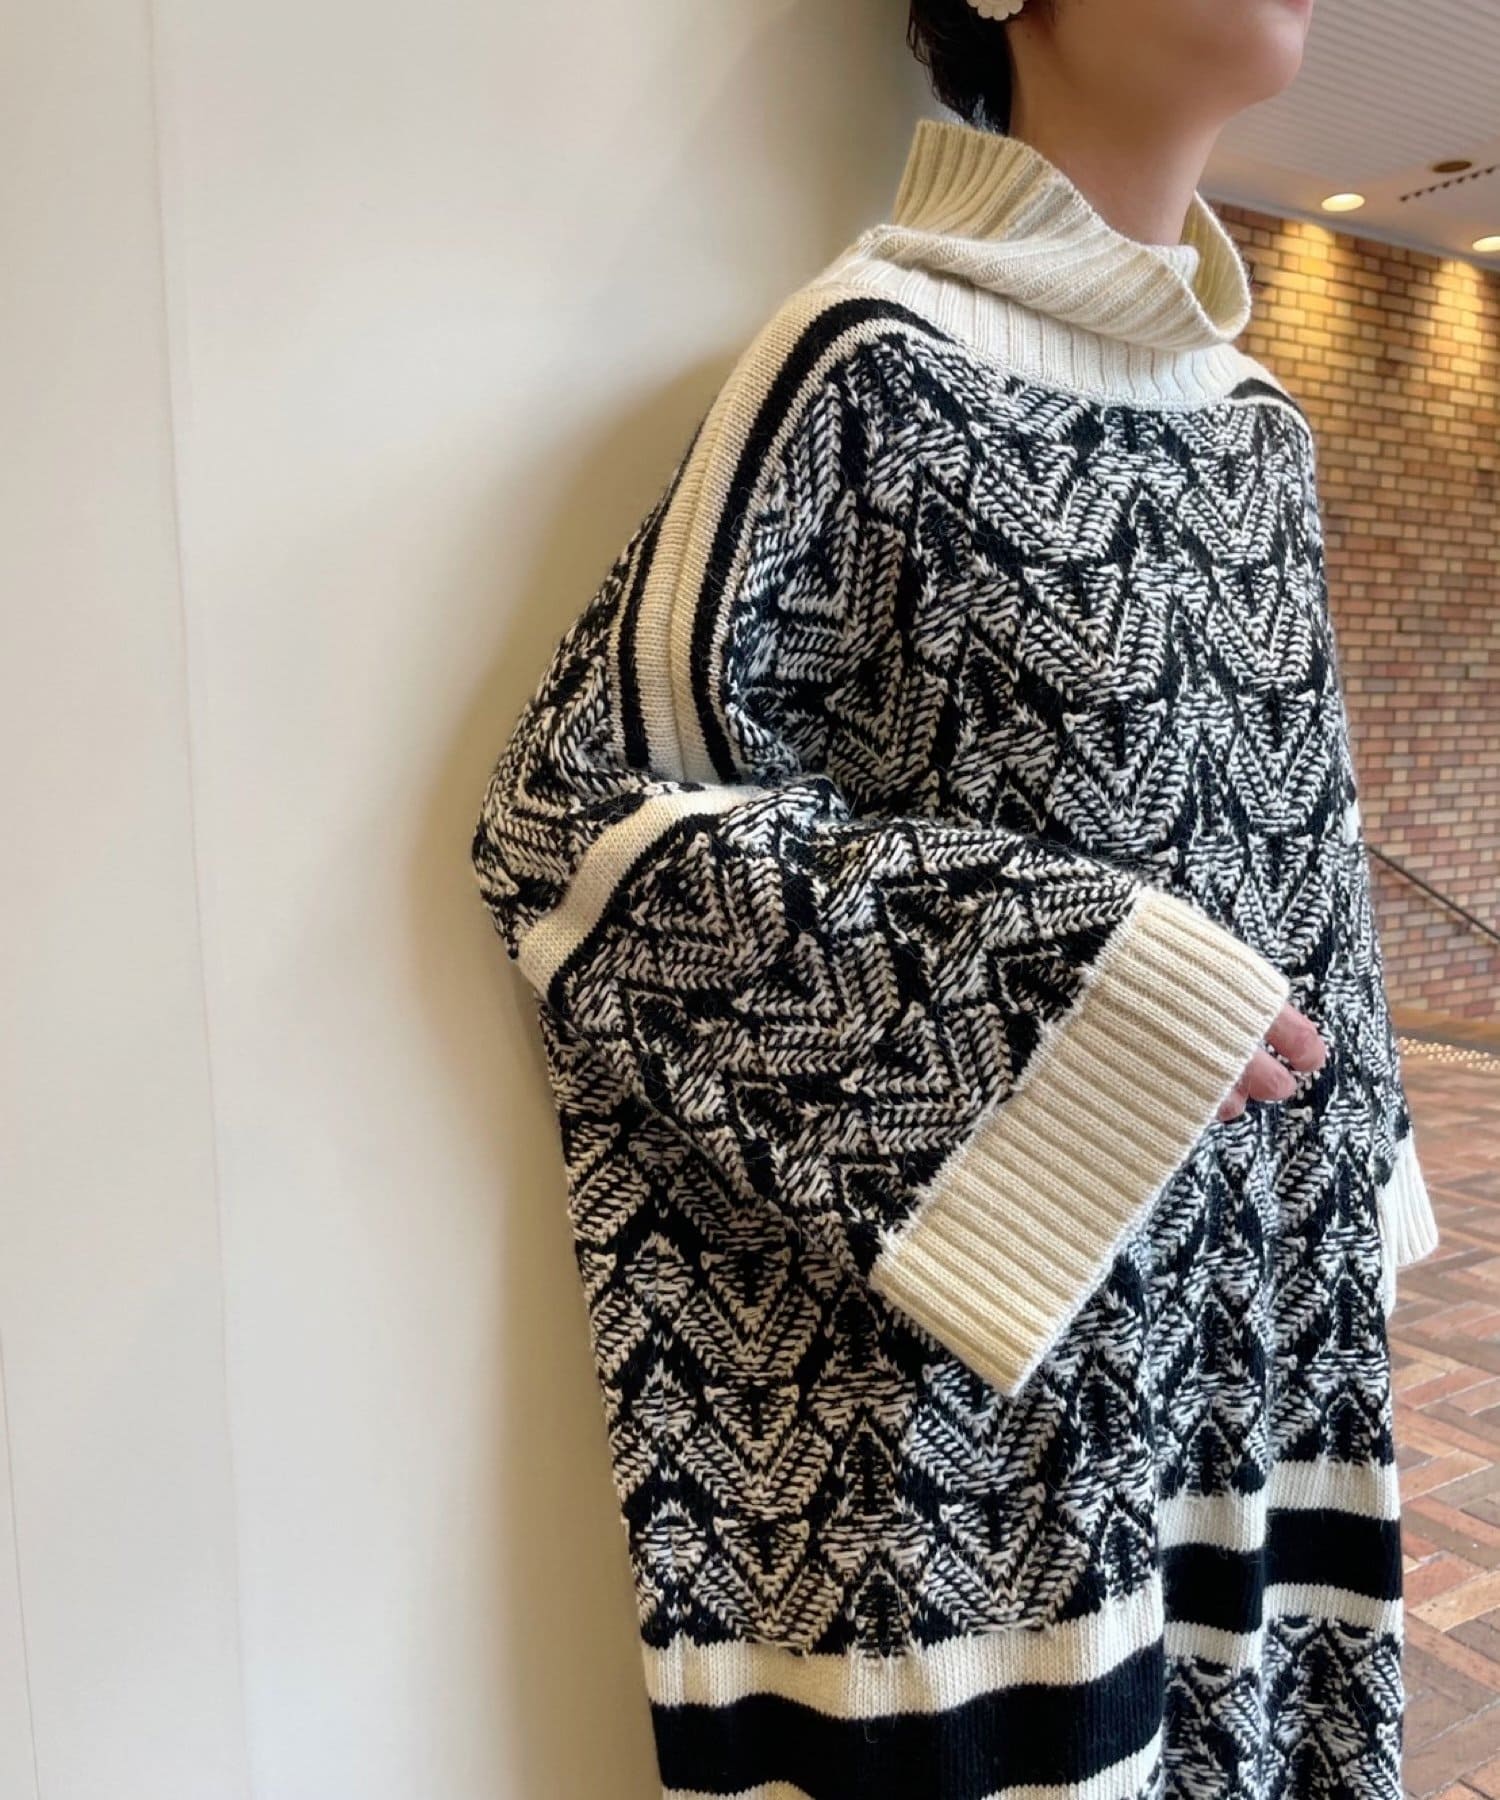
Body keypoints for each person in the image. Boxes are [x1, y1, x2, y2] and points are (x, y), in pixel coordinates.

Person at [471, 0, 1440, 1792]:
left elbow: (1305, 867)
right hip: (988, 1470)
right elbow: (567, 829)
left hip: (1258, 1385)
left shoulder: (1261, 431)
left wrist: (1352, 1181)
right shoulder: (870, 364)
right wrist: (1068, 975)